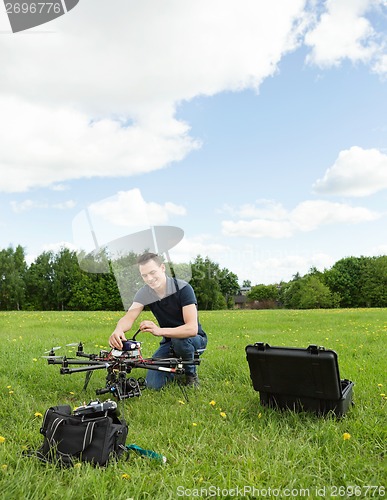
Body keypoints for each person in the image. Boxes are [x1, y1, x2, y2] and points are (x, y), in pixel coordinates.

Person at [109, 252, 207, 389]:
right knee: (153, 385)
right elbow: (128, 317)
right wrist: (118, 330)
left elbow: (192, 328)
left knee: (180, 341)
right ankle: (176, 368)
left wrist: (158, 330)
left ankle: (190, 374)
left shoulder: (184, 289)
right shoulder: (145, 292)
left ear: (162, 268)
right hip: (169, 342)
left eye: (152, 272)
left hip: (194, 339)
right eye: (144, 275)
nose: (149, 278)